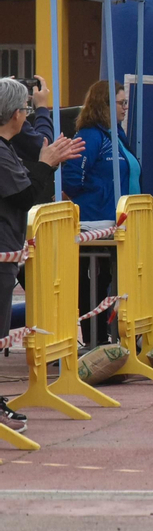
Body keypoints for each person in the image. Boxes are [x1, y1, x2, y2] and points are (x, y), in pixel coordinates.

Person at [0, 77, 81, 430]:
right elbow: (25, 197)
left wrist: (48, 163)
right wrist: (46, 163)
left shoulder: (8, 148)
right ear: (17, 114)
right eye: (27, 110)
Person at [61, 80, 139, 222]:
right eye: (121, 103)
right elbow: (71, 178)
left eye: (126, 102)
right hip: (99, 222)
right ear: (105, 105)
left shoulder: (118, 135)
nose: (125, 107)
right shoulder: (90, 135)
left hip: (123, 221)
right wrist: (96, 198)